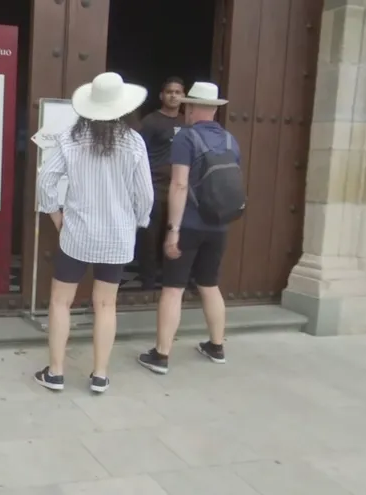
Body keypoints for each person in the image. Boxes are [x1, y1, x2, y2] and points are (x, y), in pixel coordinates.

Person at [34, 72, 154, 393]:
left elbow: (46, 181)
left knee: (61, 302)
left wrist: (56, 216)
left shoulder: (69, 139)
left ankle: (56, 372)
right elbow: (145, 195)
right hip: (117, 237)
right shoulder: (135, 142)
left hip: (76, 235)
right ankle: (100, 374)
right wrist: (138, 221)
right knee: (106, 305)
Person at [137, 82, 243, 375]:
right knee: (210, 284)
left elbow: (180, 183)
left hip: (191, 224)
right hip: (219, 225)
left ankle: (161, 354)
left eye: (188, 105)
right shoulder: (229, 140)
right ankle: (216, 346)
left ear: (194, 107)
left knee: (172, 289)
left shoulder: (186, 138)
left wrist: (173, 229)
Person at [136, 77, 185, 289]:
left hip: (178, 188)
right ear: (161, 95)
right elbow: (138, 151)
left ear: (184, 96)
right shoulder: (150, 121)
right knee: (149, 237)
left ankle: (170, 281)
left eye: (178, 92)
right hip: (153, 187)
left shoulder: (186, 122)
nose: (173, 95)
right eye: (169, 91)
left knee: (173, 235)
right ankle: (147, 282)